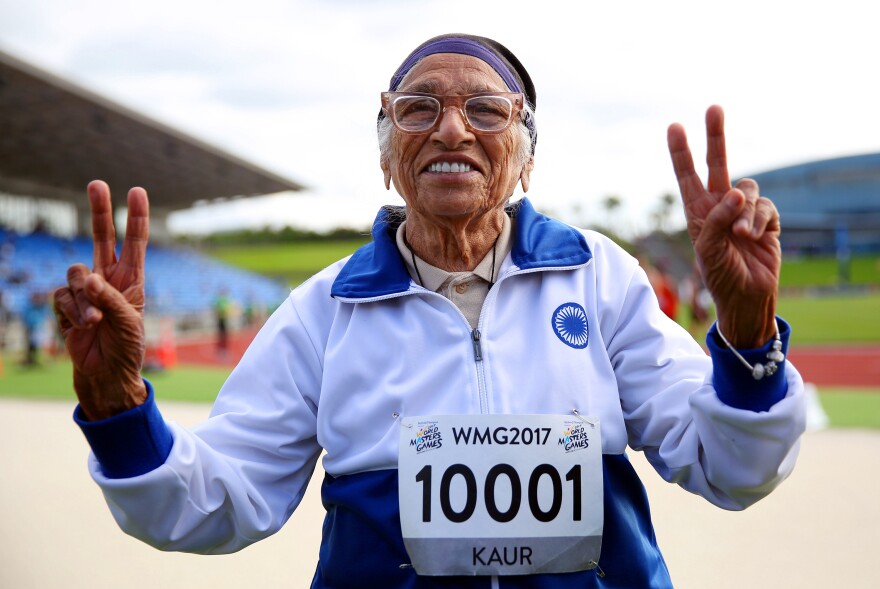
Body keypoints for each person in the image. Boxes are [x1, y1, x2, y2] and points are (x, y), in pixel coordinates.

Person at [54, 34, 805, 588]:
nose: (452, 129)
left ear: (526, 155)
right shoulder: (324, 310)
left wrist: (747, 336)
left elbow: (732, 467)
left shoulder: (598, 276)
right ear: (386, 154)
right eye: (418, 110)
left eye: (485, 109)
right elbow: (213, 499)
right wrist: (120, 408)